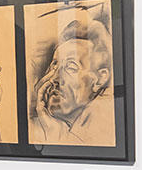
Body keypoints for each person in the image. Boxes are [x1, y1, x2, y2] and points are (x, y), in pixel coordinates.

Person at [28, 8, 115, 146]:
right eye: (54, 65)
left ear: (100, 79)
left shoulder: (105, 132)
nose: (54, 78)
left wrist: (57, 135)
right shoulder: (36, 127)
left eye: (71, 67)